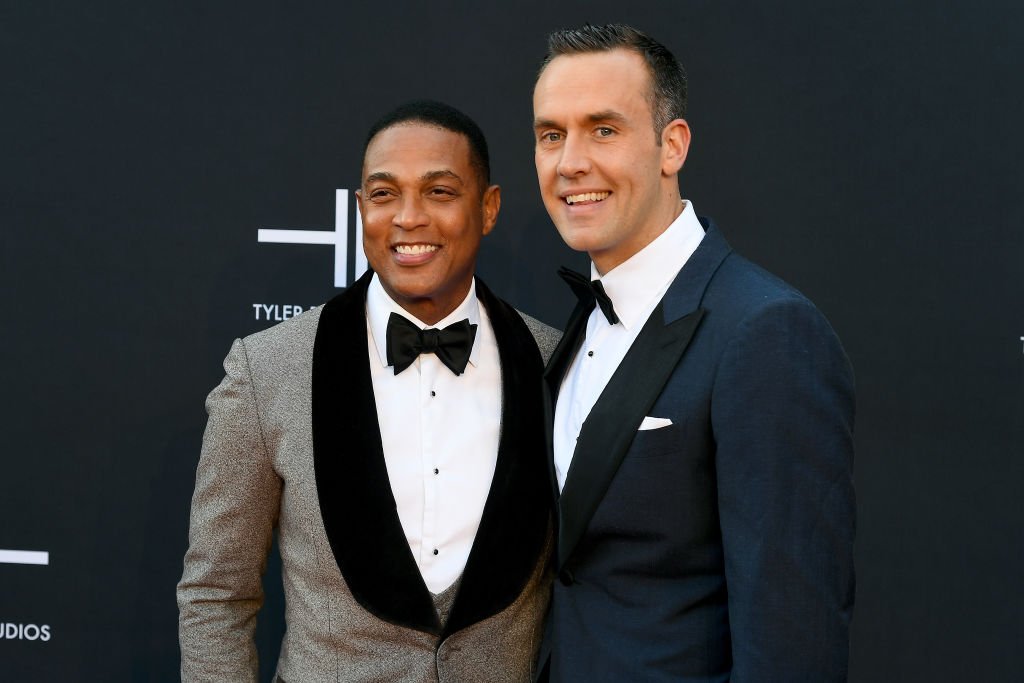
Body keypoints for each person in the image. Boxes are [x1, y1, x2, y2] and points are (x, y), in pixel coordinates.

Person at [178, 100, 557, 683]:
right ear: (360, 210)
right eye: (384, 195)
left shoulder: (555, 362)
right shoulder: (267, 371)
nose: (408, 218)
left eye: (439, 192)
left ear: (488, 208)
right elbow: (216, 594)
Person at [532, 24, 856, 681]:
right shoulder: (580, 323)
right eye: (550, 134)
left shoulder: (765, 331)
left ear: (670, 145)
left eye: (603, 129)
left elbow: (793, 648)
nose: (570, 162)